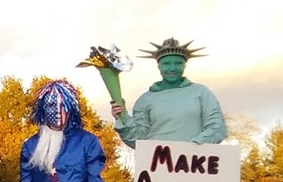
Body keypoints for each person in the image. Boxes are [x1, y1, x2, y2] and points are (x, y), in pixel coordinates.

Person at [97, 38, 226, 148]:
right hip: (157, 169)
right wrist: (123, 116)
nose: (172, 68)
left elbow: (216, 127)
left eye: (178, 63)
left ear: (185, 65)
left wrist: (190, 150)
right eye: (166, 64)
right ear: (159, 66)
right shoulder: (145, 100)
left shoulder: (201, 93)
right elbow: (139, 140)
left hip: (194, 168)